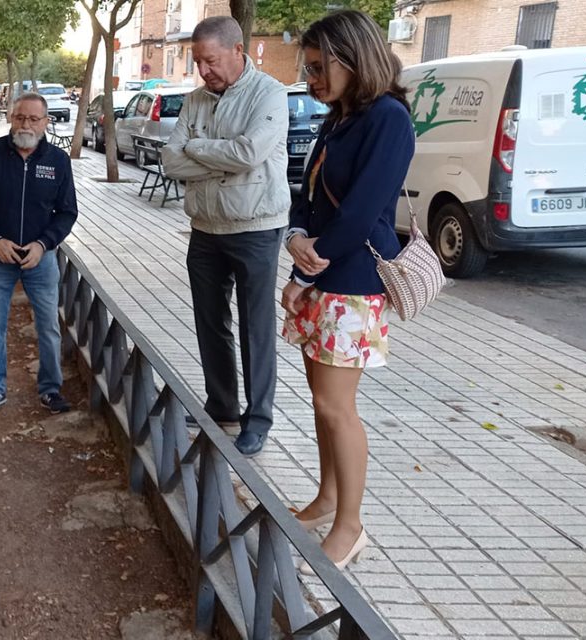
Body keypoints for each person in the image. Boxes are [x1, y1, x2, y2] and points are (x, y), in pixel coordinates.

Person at [282, 10, 415, 572]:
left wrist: (303, 273)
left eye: (318, 67)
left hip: (353, 285)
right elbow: (308, 193)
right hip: (323, 278)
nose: (311, 80)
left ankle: (351, 527)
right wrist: (293, 237)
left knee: (338, 409)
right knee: (321, 405)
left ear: (350, 57)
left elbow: (360, 212)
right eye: (308, 68)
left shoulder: (388, 118)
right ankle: (328, 498)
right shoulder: (338, 119)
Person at [159, 16, 290, 457]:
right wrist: (219, 155)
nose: (203, 71)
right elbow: (170, 161)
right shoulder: (195, 100)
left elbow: (251, 152)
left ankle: (258, 419)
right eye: (197, 62)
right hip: (205, 226)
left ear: (239, 52)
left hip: (255, 226)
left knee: (256, 325)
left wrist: (195, 148)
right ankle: (222, 405)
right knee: (210, 320)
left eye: (210, 60)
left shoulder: (269, 93)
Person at [0, 93, 78, 416]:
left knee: (49, 326)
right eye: (20, 117)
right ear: (11, 118)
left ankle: (51, 389)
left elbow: (67, 212)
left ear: (45, 122)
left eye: (33, 119)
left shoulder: (58, 161)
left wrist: (44, 244)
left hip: (40, 260)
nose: (25, 124)